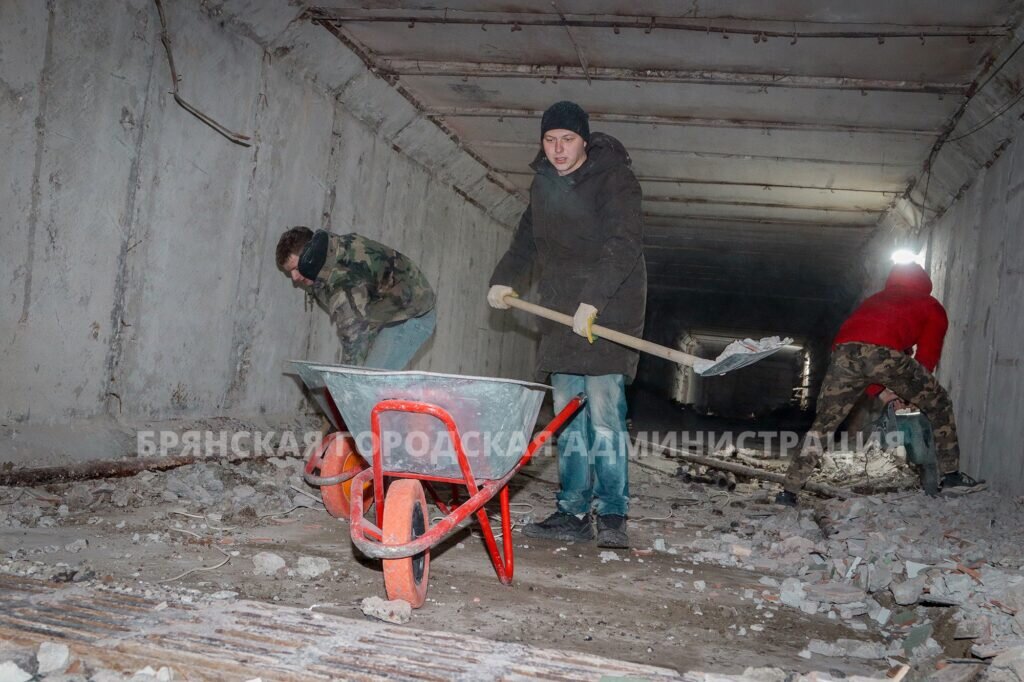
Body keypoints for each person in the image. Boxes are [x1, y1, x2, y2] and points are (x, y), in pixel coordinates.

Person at [487, 101, 646, 548]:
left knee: (605, 415)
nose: (558, 150)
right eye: (550, 140)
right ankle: (573, 510)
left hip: (608, 310)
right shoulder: (542, 186)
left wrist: (593, 302)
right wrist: (502, 281)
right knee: (568, 417)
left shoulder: (615, 180)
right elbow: (525, 243)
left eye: (568, 140)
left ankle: (612, 513)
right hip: (560, 311)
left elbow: (624, 244)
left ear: (584, 140)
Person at [777, 262, 978, 505]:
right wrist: (911, 393)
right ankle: (951, 477)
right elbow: (927, 356)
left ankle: (788, 492)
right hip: (883, 353)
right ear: (926, 284)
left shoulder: (876, 299)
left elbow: (862, 352)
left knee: (823, 425)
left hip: (843, 352)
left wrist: (881, 392)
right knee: (940, 403)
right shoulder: (931, 306)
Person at [276, 227, 436, 369]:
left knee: (367, 385)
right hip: (385, 305)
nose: (294, 278)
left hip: (412, 314)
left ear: (311, 257)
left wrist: (345, 384)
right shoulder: (331, 248)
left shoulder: (344, 285)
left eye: (296, 268)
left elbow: (355, 339)